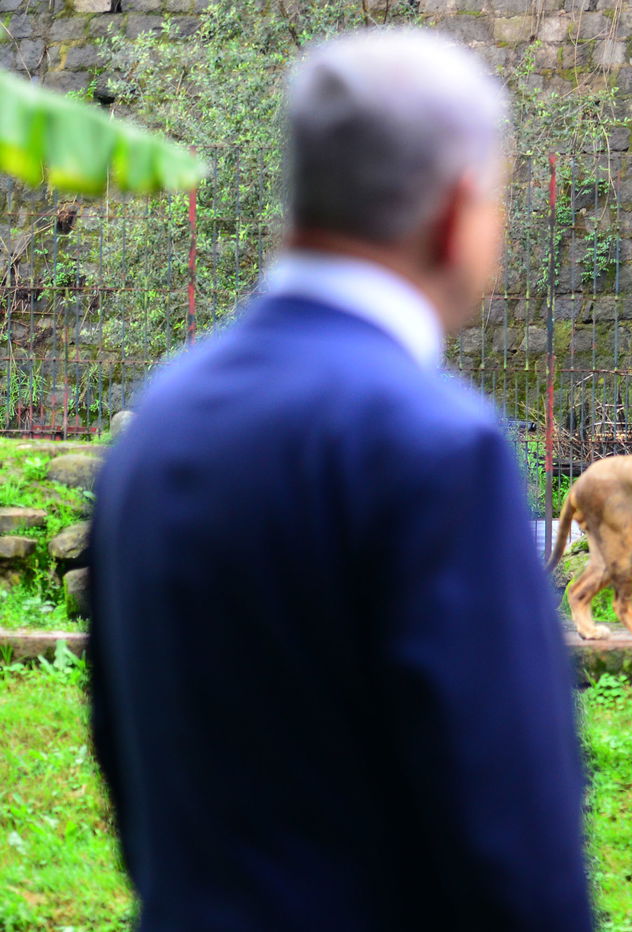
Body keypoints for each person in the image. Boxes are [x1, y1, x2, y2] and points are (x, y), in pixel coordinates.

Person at [88, 30, 592, 931]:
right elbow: (520, 852)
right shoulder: (440, 446)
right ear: (456, 212)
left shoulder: (159, 418)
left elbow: (129, 766)